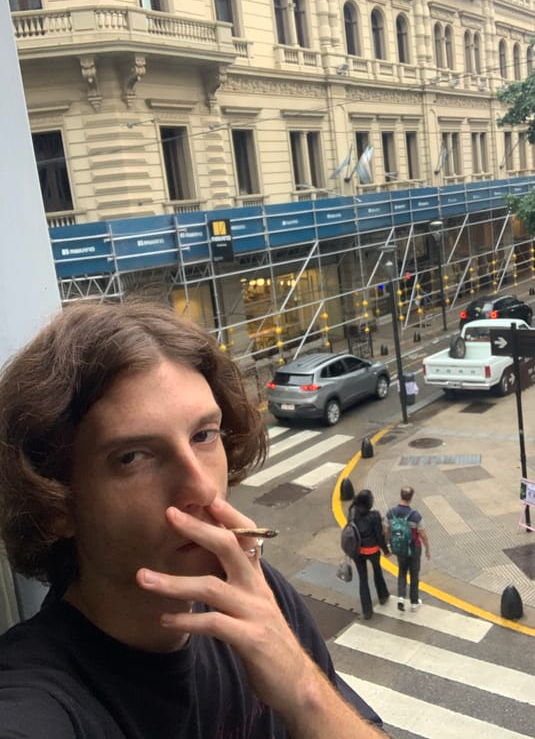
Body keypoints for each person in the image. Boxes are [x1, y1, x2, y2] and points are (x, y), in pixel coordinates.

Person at [0, 301, 386, 738]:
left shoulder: (255, 597)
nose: (202, 489)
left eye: (204, 435)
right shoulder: (38, 697)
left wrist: (304, 690)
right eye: (132, 458)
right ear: (55, 506)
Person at [385, 486, 431, 612]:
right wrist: (427, 549)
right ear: (411, 498)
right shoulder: (415, 516)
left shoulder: (391, 513)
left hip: (400, 548)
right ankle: (414, 602)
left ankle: (401, 598)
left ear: (401, 495)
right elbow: (423, 535)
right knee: (414, 574)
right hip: (414, 548)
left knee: (402, 571)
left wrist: (388, 545)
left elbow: (386, 530)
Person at [348, 490, 390, 620]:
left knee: (363, 579)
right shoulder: (374, 516)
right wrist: (386, 550)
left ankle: (367, 610)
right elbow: (379, 537)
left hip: (357, 551)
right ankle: (383, 595)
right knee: (377, 571)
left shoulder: (352, 512)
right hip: (372, 550)